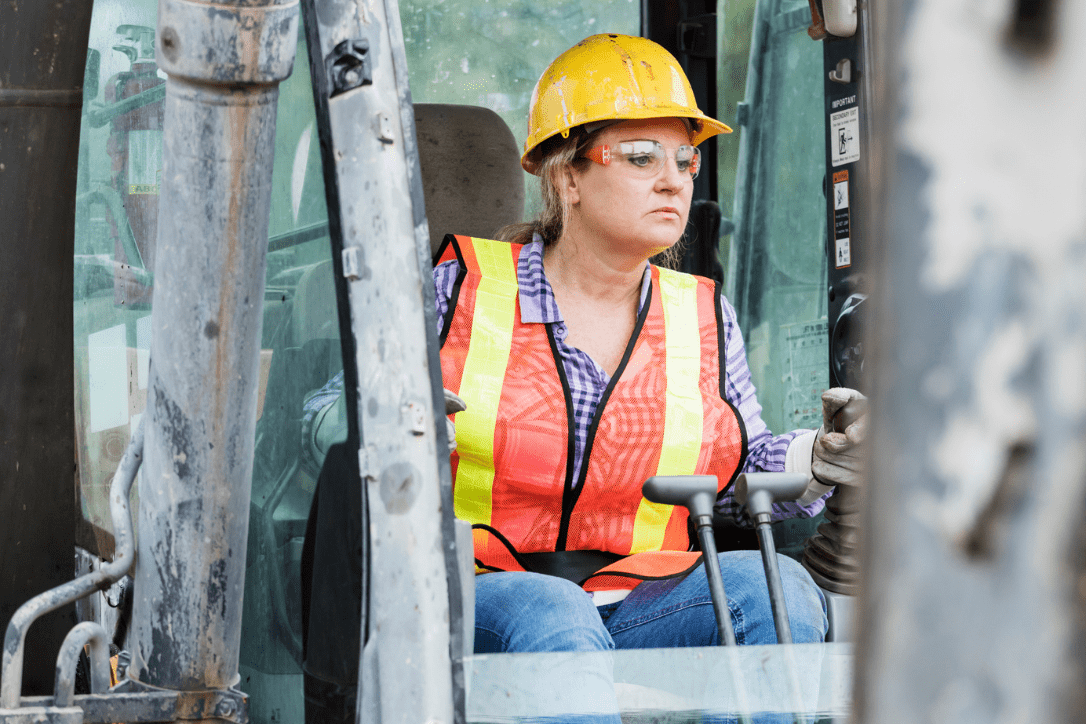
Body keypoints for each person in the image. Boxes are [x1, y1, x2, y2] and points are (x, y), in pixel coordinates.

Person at [300, 32, 866, 720]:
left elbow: (743, 460)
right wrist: (393, 411)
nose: (674, 179)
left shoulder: (702, 313)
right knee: (552, 610)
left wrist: (819, 455)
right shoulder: (458, 290)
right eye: (639, 157)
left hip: (644, 599)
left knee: (773, 588)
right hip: (483, 593)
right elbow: (329, 417)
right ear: (567, 177)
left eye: (687, 159)